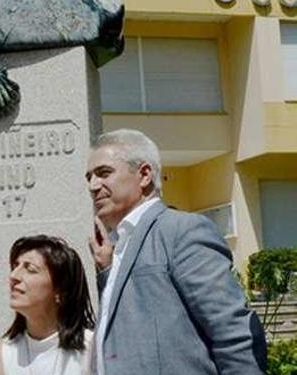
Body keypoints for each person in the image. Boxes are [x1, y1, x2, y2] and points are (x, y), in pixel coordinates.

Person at [85, 129, 266, 374]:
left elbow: (232, 331)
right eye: (89, 177)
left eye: (104, 173)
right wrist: (107, 272)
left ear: (144, 175)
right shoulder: (120, 243)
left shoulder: (181, 230)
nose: (93, 186)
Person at [0, 235, 95, 375]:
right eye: (15, 266)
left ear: (60, 290)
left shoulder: (91, 350)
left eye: (30, 269)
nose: (14, 276)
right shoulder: (2, 354)